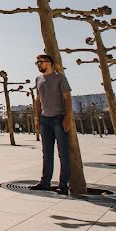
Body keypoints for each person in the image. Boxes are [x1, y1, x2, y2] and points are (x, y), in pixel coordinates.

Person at [29, 54, 73, 196]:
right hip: (45, 120)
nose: (38, 65)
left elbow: (67, 98)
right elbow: (38, 99)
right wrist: (37, 118)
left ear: (49, 63)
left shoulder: (60, 78)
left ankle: (63, 185)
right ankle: (45, 182)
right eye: (37, 63)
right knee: (47, 153)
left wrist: (67, 117)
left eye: (40, 62)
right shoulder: (38, 79)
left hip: (59, 119)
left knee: (63, 154)